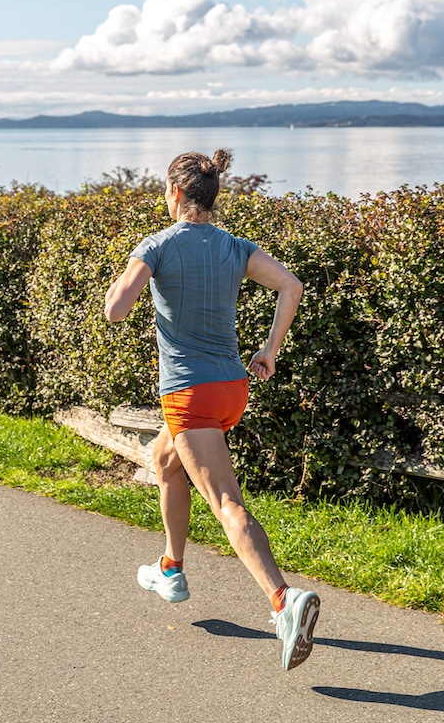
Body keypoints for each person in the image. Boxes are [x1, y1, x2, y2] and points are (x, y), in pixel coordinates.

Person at [103, 148, 319, 671]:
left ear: (175, 193)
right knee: (165, 461)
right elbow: (291, 286)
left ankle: (283, 601)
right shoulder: (236, 246)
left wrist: (134, 269)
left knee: (226, 503)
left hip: (189, 394)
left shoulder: (156, 245)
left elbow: (114, 311)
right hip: (231, 389)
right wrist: (268, 350)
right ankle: (171, 568)